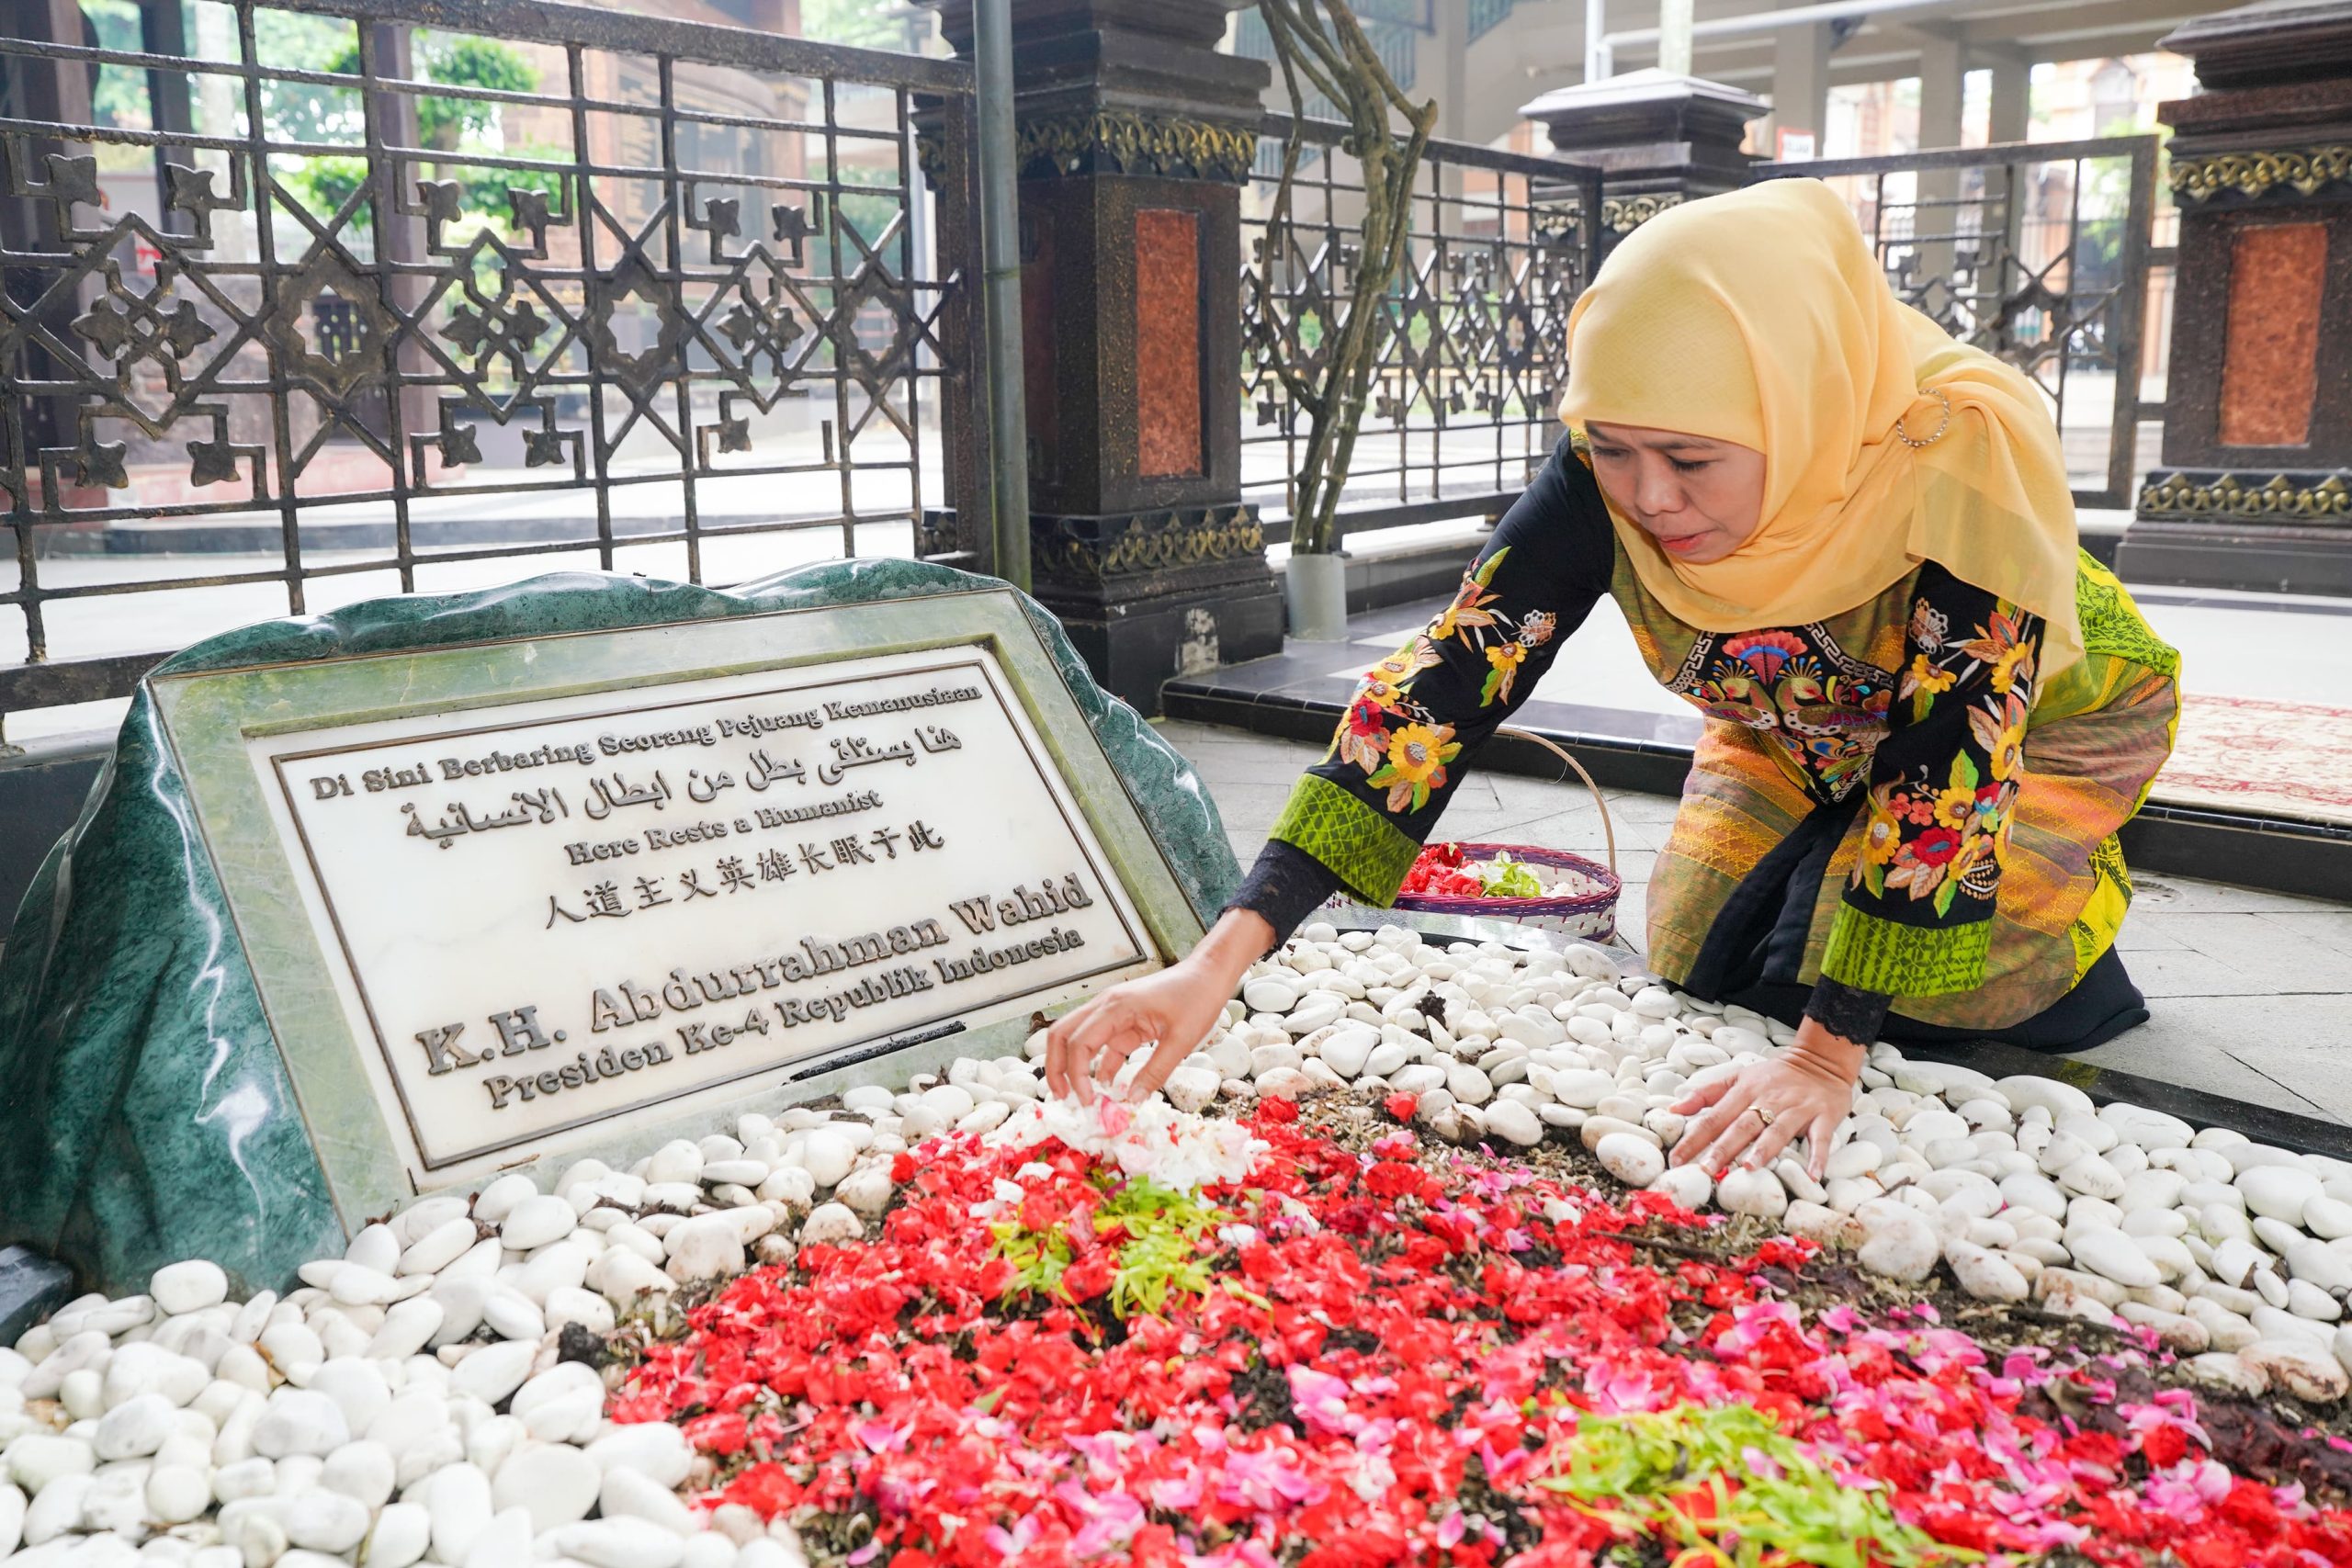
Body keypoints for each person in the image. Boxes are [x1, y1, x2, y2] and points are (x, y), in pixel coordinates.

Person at [1044, 178, 2180, 1183]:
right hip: (1789, 724)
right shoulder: (1608, 462)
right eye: (1616, 450)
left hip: (2031, 734)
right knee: (1704, 960)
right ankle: (1831, 859)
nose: (1647, 497)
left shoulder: (1954, 458)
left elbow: (1946, 772)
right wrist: (1216, 962)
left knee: (1882, 986)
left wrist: (1829, 1058)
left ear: (1803, 407)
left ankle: (2080, 904)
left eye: (1691, 460)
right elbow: (1446, 685)